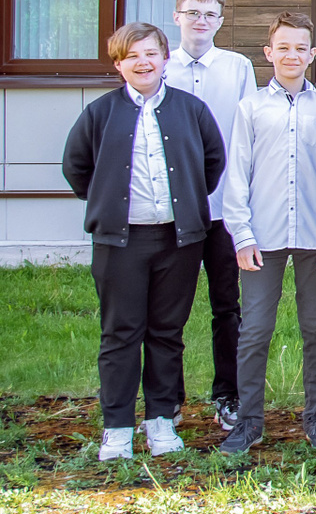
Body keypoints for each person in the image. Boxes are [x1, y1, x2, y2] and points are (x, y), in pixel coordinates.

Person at [64, 23, 226, 463]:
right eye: (132, 56)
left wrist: (187, 201)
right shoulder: (99, 113)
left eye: (151, 53)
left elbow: (212, 163)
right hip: (120, 243)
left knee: (166, 333)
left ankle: (161, 421)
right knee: (120, 334)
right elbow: (76, 168)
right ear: (119, 65)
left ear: (165, 58)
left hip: (179, 240)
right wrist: (108, 202)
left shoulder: (191, 110)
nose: (143, 63)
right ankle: (117, 428)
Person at [223, 12, 316, 454]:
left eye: (300, 48)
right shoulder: (251, 108)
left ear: (312, 55)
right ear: (268, 53)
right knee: (255, 328)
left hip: (315, 237)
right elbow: (237, 174)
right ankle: (249, 421)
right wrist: (242, 234)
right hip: (263, 236)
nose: (292, 55)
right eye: (283, 47)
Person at [163, 0, 254, 431]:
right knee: (168, 309)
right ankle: (167, 400)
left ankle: (228, 395)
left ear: (220, 19)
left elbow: (250, 133)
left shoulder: (237, 67)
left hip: (224, 209)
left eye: (210, 14)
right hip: (172, 210)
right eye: (193, 13)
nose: (201, 21)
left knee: (227, 306)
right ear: (177, 16)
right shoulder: (160, 66)